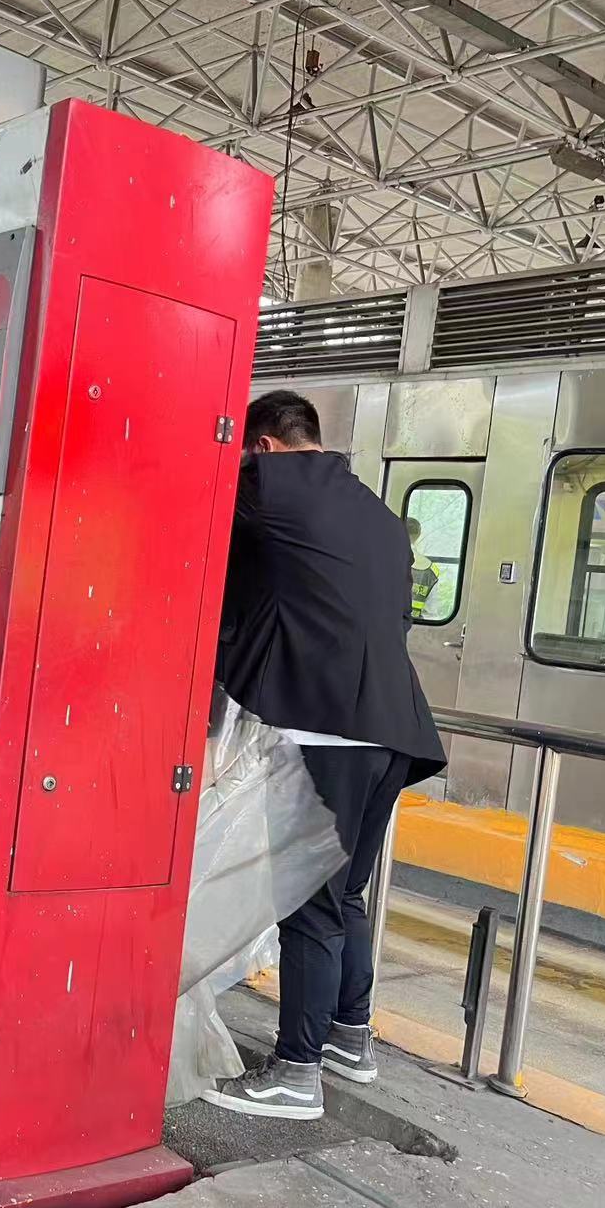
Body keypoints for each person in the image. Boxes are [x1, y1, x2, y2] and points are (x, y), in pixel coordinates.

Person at [202, 390, 446, 1122]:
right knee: (343, 895)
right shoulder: (373, 510)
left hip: (324, 730)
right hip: (390, 730)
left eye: (248, 455)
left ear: (264, 445)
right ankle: (348, 1038)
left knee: (308, 901)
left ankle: (294, 1073)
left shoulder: (268, 485)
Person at [407, 519, 440, 621]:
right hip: (415, 627)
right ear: (419, 534)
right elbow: (431, 612)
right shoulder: (431, 570)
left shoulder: (385, 559)